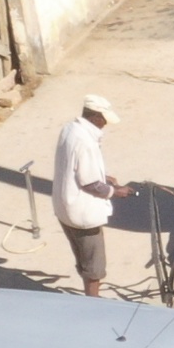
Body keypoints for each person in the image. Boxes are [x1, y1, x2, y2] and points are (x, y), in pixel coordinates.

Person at [50, 93, 125, 296]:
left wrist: (103, 176)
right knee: (94, 267)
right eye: (103, 120)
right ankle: (93, 304)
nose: (104, 125)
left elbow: (75, 167)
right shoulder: (86, 142)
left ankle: (88, 298)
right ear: (95, 116)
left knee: (83, 260)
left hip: (64, 208)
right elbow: (90, 183)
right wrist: (115, 191)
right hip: (83, 214)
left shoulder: (70, 129)